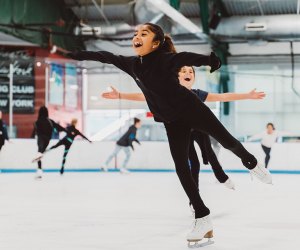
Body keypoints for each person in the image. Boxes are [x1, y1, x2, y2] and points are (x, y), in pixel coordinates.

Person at [68, 23, 272, 245]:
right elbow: (104, 55)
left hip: (192, 109)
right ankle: (202, 216)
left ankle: (251, 163)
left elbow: (185, 57)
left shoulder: (165, 59)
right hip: (172, 121)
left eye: (143, 34)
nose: (137, 36)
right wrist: (75, 54)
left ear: (156, 43)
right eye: (136, 34)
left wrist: (209, 60)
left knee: (227, 141)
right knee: (181, 168)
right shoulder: (132, 64)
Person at [102, 66, 266, 194]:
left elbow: (222, 97)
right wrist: (120, 95)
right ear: (176, 76)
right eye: (184, 71)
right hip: (182, 130)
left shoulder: (197, 94)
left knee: (209, 152)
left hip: (200, 129)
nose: (188, 73)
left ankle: (222, 177)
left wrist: (247, 95)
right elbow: (143, 96)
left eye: (191, 71)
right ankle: (194, 200)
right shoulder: (166, 93)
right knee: (193, 163)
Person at [31, 106, 66, 179]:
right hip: (47, 140)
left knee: (39, 150)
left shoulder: (37, 121)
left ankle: (39, 169)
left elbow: (34, 133)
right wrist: (67, 131)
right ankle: (40, 156)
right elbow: (59, 127)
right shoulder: (50, 121)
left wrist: (31, 136)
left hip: (40, 139)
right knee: (40, 152)